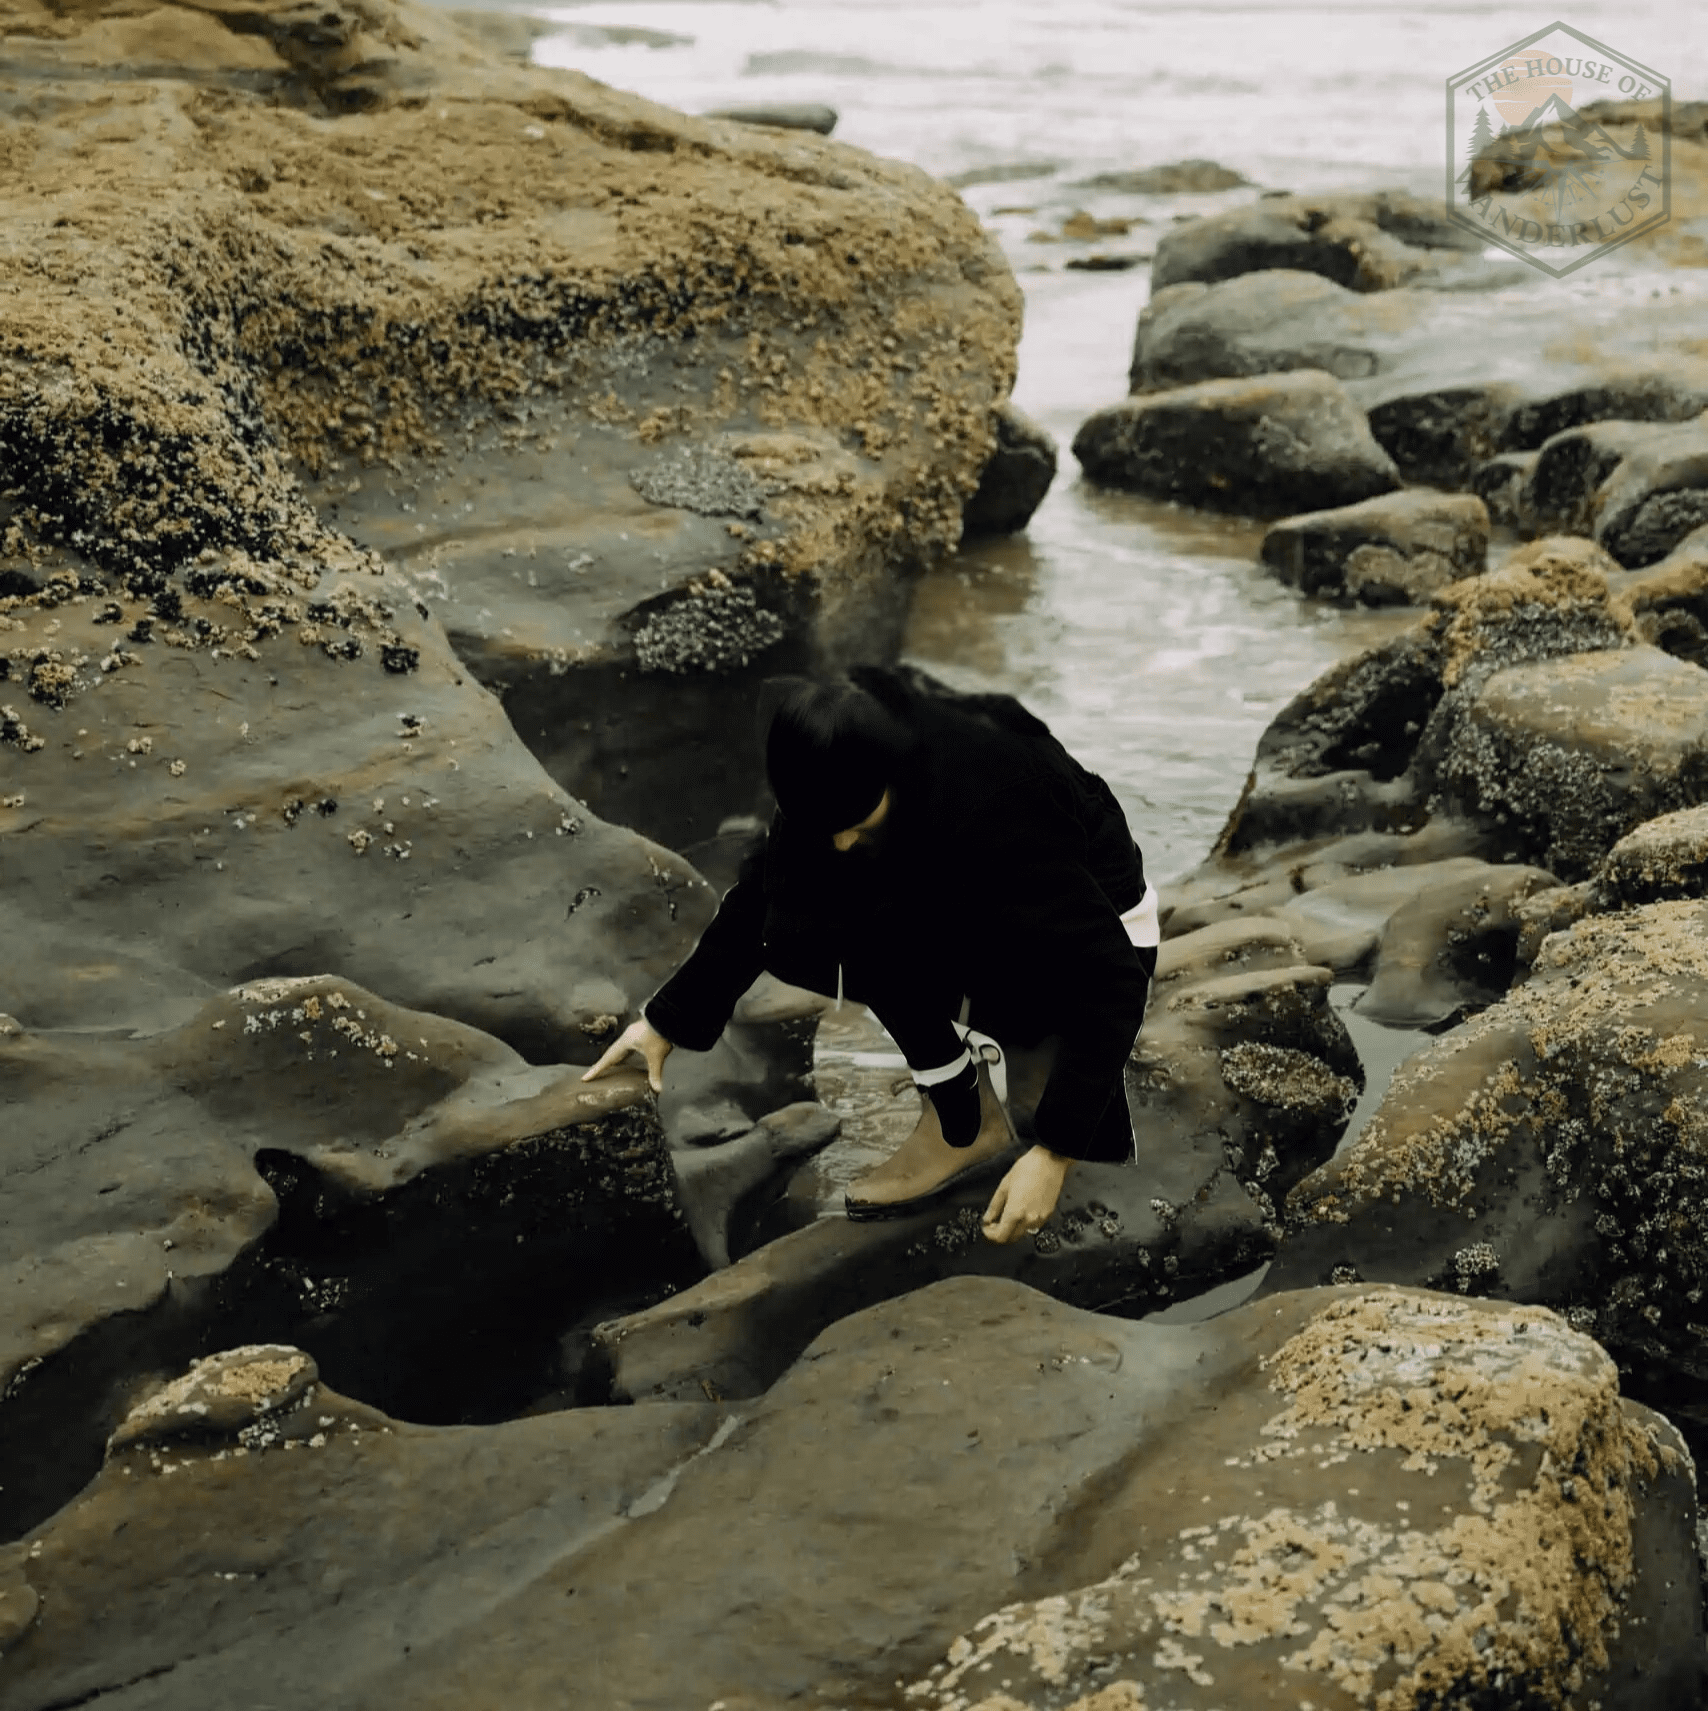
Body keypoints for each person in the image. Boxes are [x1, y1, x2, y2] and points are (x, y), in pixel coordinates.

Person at [582, 665, 1159, 1243]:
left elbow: (1113, 976)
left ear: (890, 772)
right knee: (797, 924)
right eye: (824, 827)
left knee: (869, 912)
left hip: (1096, 926)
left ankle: (991, 1091)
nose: (839, 842)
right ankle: (962, 1115)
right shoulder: (825, 757)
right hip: (965, 888)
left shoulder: (995, 797)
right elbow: (761, 898)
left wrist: (1055, 1155)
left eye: (855, 822)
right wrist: (665, 1023)